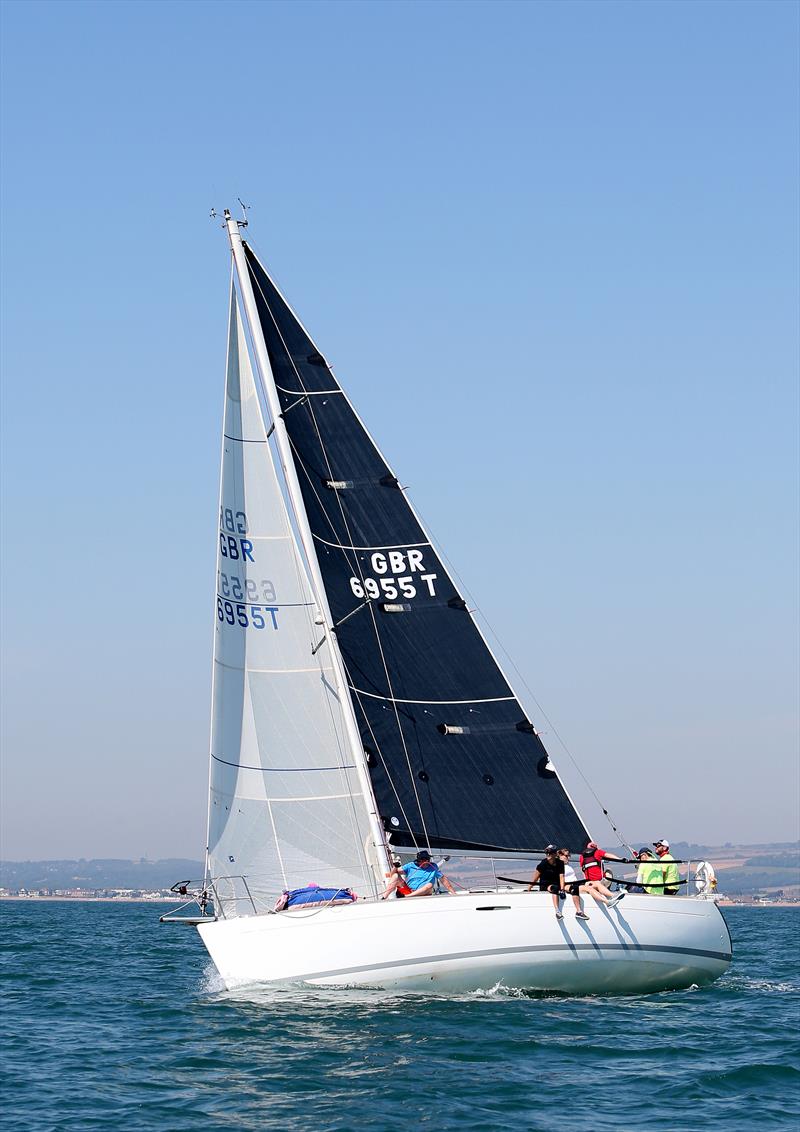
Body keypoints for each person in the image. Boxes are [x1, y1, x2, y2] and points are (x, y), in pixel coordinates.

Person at [381, 850, 456, 899]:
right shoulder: (411, 865)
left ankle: (406, 897)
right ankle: (384, 897)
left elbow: (443, 879)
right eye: (423, 860)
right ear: (419, 860)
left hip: (424, 892)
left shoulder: (433, 866)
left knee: (429, 885)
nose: (426, 861)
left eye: (427, 859)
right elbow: (392, 874)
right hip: (410, 890)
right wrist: (395, 867)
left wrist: (453, 893)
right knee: (395, 876)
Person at [579, 840, 626, 907]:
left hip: (589, 883)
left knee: (595, 883)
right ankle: (611, 894)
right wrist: (619, 859)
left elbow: (583, 870)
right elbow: (608, 855)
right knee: (608, 871)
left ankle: (607, 892)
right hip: (600, 882)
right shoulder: (597, 852)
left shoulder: (581, 857)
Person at [527, 845, 567, 919]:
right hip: (545, 885)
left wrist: (562, 889)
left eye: (550, 853)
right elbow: (535, 879)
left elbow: (562, 877)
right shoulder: (543, 864)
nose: (548, 855)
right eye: (547, 853)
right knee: (554, 888)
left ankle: (579, 911)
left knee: (573, 888)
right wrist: (529, 888)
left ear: (555, 854)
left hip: (557, 884)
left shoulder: (560, 863)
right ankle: (557, 911)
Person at [558, 848, 590, 919]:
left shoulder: (568, 866)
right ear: (560, 855)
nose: (568, 857)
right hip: (569, 885)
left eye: (569, 855)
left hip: (576, 884)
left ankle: (608, 899)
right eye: (566, 856)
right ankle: (578, 911)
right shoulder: (558, 866)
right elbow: (560, 878)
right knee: (584, 889)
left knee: (593, 884)